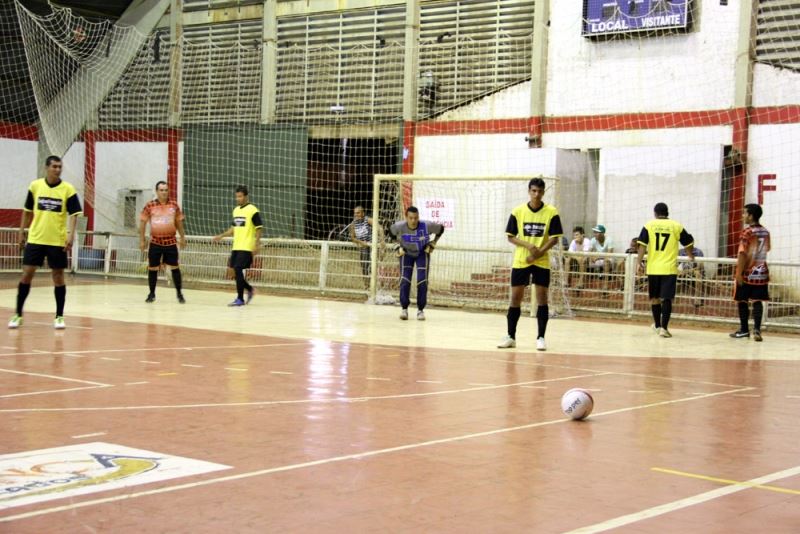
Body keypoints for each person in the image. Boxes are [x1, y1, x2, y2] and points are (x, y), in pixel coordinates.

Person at [8, 155, 82, 330]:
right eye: (54, 166)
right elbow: (26, 212)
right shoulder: (35, 186)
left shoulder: (68, 189)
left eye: (59, 166)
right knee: (27, 274)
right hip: (36, 238)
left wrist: (70, 235)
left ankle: (59, 316)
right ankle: (18, 314)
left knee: (58, 277)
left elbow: (74, 214)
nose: (57, 169)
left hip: (57, 240)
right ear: (46, 168)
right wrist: (21, 232)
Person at [498, 177, 563, 351]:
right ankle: (511, 336)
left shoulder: (551, 212)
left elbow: (555, 238)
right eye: (533, 191)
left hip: (541, 261)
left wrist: (539, 252)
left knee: (542, 299)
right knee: (515, 298)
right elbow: (510, 236)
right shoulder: (518, 211)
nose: (536, 194)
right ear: (529, 191)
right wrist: (528, 246)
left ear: (543, 192)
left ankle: (541, 337)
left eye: (540, 191)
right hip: (521, 260)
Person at [636, 202, 694, 338]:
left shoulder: (649, 225)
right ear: (667, 212)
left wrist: (639, 263)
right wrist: (690, 255)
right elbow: (688, 242)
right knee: (667, 298)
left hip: (653, 268)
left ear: (655, 213)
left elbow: (642, 246)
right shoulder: (676, 225)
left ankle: (657, 325)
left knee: (655, 298)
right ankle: (664, 328)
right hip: (669, 268)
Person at [388, 206, 444, 321]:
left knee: (422, 281)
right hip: (406, 253)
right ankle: (404, 308)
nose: (413, 221)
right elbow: (390, 231)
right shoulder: (399, 226)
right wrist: (396, 246)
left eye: (416, 218)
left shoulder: (427, 225)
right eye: (411, 218)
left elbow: (441, 229)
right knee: (404, 280)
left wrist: (433, 242)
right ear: (406, 217)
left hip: (422, 253)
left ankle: (420, 310)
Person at [213, 185, 263, 307]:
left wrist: (256, 244)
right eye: (237, 196)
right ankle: (250, 289)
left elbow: (259, 228)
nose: (238, 199)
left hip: (246, 246)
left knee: (238, 268)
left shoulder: (253, 210)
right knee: (233, 272)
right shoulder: (236, 210)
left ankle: (240, 299)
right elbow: (233, 229)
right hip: (236, 246)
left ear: (246, 196)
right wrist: (221, 236)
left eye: (240, 196)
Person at [139, 181, 187, 303]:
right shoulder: (150, 206)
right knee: (153, 268)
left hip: (170, 242)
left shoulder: (174, 205)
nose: (164, 192)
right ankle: (151, 294)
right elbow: (143, 223)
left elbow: (179, 223)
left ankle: (179, 294)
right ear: (157, 191)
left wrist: (182, 237)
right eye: (161, 190)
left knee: (175, 268)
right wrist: (142, 240)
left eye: (166, 190)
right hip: (155, 242)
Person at [730, 204, 770, 341]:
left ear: (751, 216)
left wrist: (739, 273)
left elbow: (742, 254)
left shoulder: (747, 232)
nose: (742, 216)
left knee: (742, 300)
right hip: (761, 272)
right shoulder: (765, 232)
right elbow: (767, 249)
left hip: (747, 273)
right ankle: (757, 330)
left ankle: (744, 330)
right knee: (757, 301)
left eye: (744, 213)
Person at [349, 205, 380, 288]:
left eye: (358, 213)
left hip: (372, 247)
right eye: (355, 213)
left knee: (373, 266)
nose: (356, 215)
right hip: (363, 247)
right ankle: (367, 286)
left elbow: (380, 227)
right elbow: (352, 237)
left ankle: (374, 286)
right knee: (364, 267)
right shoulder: (353, 224)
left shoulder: (367, 220)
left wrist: (382, 241)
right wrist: (361, 242)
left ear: (363, 213)